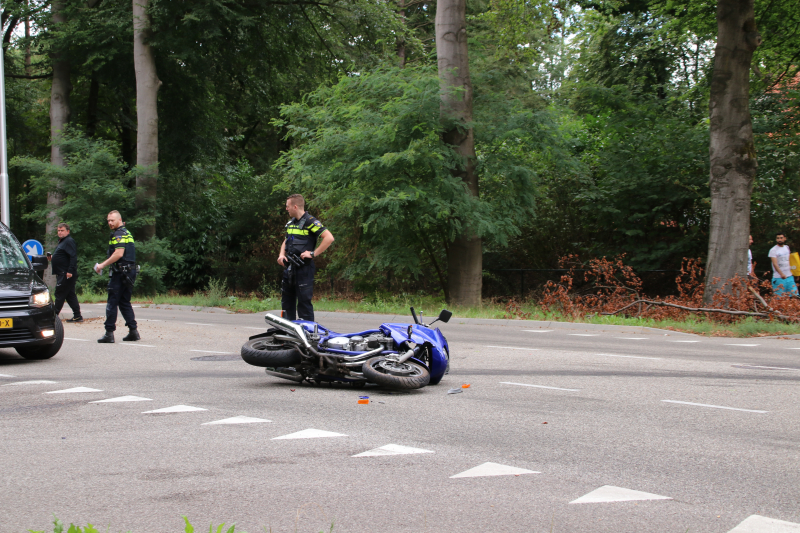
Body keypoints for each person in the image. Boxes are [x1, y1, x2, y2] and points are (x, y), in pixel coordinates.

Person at [277, 194, 334, 321]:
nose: (286, 209)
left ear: (295, 206)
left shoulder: (310, 221)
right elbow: (286, 240)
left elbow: (329, 238)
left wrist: (313, 253)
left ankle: (307, 335)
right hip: (289, 269)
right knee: (286, 304)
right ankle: (288, 334)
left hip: (304, 269)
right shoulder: (291, 223)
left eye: (288, 206)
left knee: (304, 304)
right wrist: (281, 255)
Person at [94, 211, 139, 343]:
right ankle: (133, 331)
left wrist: (102, 265)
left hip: (120, 273)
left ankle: (109, 333)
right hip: (129, 272)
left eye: (112, 220)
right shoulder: (127, 232)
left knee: (112, 302)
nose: (110, 223)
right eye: (108, 220)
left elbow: (118, 254)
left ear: (119, 220)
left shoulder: (118, 233)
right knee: (124, 302)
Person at [49, 223, 82, 322]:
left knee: (59, 294)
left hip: (66, 273)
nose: (60, 232)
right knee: (70, 295)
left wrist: (70, 271)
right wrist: (52, 258)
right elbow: (64, 256)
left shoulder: (69, 241)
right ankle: (77, 315)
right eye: (58, 230)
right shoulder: (62, 242)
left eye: (62, 230)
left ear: (68, 231)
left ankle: (53, 317)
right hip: (62, 272)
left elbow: (73, 256)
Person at [768, 232, 798, 297]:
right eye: (778, 238)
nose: (779, 240)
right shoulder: (773, 250)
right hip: (779, 278)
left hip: (789, 276)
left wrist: (796, 272)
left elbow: (790, 261)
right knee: (779, 298)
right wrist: (781, 274)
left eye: (781, 238)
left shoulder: (787, 247)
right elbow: (775, 264)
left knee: (794, 296)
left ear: (785, 238)